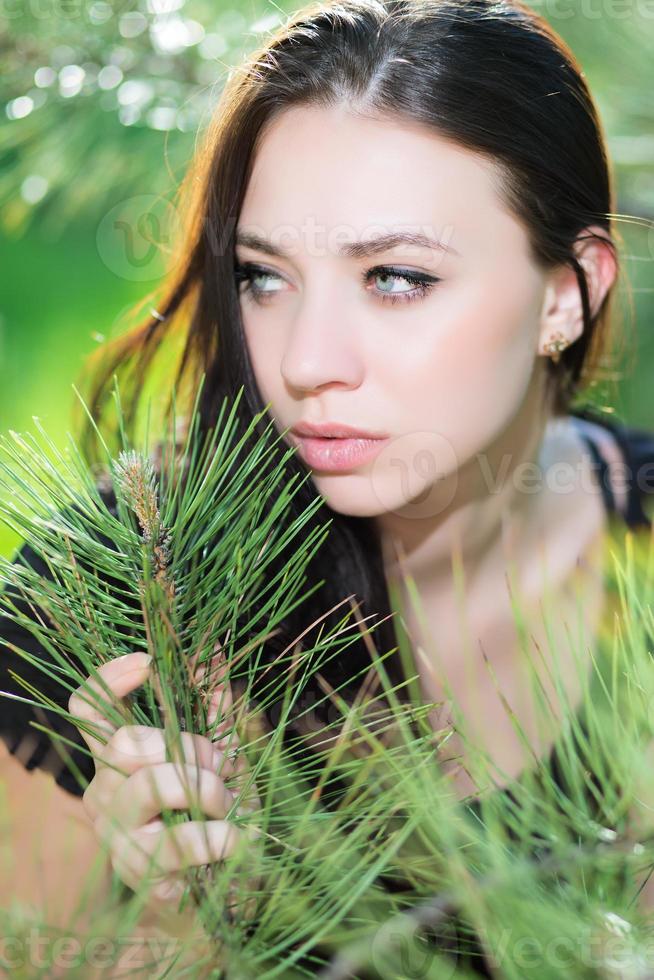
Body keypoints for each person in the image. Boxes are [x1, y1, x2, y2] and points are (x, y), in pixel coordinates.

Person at [2, 0, 654, 973]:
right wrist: (172, 918)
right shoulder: (120, 593)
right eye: (266, 277)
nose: (307, 361)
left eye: (395, 277)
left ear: (568, 290)